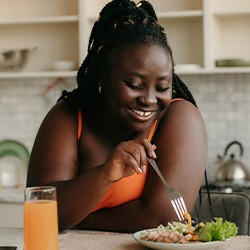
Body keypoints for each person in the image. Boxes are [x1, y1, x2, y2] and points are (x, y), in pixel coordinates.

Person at [26, 0, 207, 233]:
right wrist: (103, 175)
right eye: (134, 84)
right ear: (102, 77)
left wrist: (81, 218)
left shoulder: (180, 118)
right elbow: (41, 209)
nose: (149, 99)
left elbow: (163, 219)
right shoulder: (68, 116)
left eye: (162, 87)